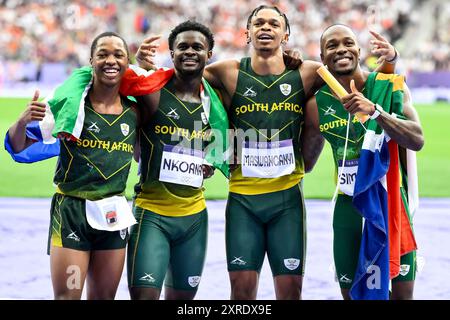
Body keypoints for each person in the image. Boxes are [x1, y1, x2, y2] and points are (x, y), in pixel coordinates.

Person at [136, 5, 397, 300]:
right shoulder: (226, 72)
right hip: (242, 201)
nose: (266, 28)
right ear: (247, 33)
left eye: (274, 23)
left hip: (287, 200)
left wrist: (390, 64)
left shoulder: (309, 72)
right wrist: (147, 69)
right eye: (258, 23)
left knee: (290, 293)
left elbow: (357, 77)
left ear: (286, 34)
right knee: (242, 292)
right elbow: (183, 78)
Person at [6, 32, 138, 299]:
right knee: (68, 296)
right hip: (72, 216)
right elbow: (18, 146)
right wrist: (22, 121)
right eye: (102, 54)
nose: (110, 60)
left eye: (118, 55)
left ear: (127, 62)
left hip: (113, 216)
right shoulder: (70, 108)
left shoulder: (136, 111)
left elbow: (149, 151)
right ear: (91, 61)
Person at [302, 24, 424, 300]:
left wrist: (376, 113)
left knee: (402, 294)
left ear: (359, 50)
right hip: (349, 206)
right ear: (322, 57)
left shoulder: (387, 87)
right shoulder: (316, 105)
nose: (341, 49)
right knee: (353, 294)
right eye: (332, 46)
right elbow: (306, 163)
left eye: (348, 43)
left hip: (390, 202)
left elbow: (417, 139)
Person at [126, 20, 219, 300]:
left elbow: (224, 142)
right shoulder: (153, 94)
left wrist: (214, 159)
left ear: (209, 54)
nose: (189, 52)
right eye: (182, 47)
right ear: (171, 52)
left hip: (194, 219)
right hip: (151, 215)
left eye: (197, 47)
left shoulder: (216, 102)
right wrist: (140, 66)